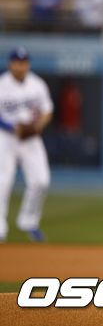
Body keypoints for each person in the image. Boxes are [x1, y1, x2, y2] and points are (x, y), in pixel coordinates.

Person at [0, 47, 53, 242]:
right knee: (2, 182)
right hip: (6, 138)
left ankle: (29, 222)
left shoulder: (37, 84)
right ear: (10, 64)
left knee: (41, 181)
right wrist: (10, 127)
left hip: (30, 139)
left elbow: (47, 110)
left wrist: (39, 125)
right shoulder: (2, 85)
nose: (20, 66)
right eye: (17, 62)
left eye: (23, 62)